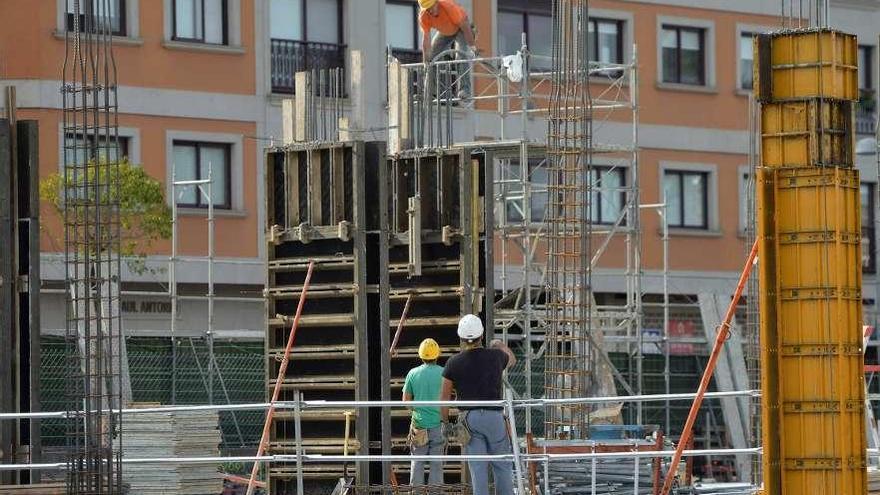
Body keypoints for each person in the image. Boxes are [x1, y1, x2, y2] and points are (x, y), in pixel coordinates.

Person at [440, 314, 516, 495]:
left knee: (478, 468)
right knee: (502, 464)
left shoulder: (453, 363)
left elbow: (443, 399)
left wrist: (445, 423)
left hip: (469, 420)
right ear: (481, 335)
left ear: (461, 338)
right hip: (495, 418)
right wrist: (499, 344)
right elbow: (511, 359)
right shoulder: (496, 356)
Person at [403, 338, 446, 487]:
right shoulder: (443, 373)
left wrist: (417, 411)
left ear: (421, 355)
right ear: (437, 355)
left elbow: (406, 402)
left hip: (419, 425)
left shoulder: (412, 373)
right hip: (438, 425)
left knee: (417, 463)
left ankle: (416, 492)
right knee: (436, 465)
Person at [418, 0, 477, 98]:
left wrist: (473, 48)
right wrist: (425, 62)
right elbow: (426, 39)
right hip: (445, 32)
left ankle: (465, 90)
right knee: (432, 58)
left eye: (431, 7)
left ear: (437, 3)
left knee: (460, 55)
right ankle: (434, 92)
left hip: (460, 29)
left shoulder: (449, 7)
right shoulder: (424, 16)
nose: (430, 11)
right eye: (427, 9)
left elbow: (465, 27)